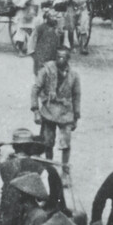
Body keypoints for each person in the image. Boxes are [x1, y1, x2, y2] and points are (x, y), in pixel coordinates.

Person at [32, 46, 82, 176]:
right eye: (58, 56)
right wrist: (36, 110)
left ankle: (65, 171)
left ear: (68, 59)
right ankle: (49, 169)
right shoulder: (46, 71)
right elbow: (35, 89)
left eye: (63, 57)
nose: (60, 59)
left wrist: (76, 117)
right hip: (49, 111)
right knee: (47, 143)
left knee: (66, 144)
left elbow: (77, 95)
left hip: (66, 113)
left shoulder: (73, 75)